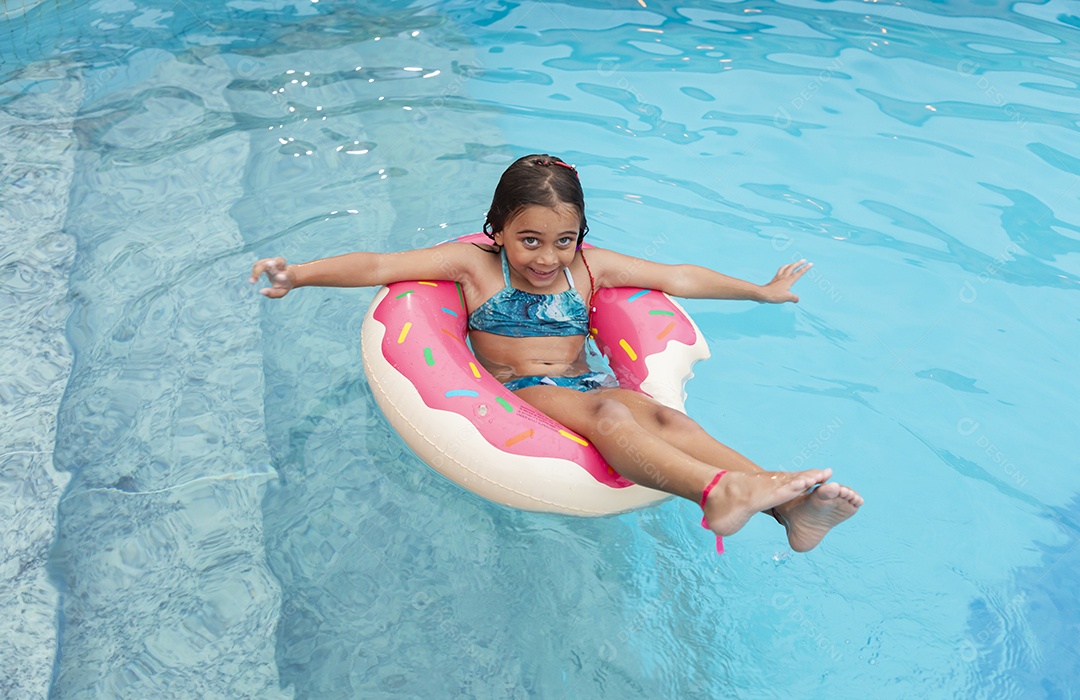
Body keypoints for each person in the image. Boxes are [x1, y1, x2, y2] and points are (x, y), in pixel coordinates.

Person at [250, 154, 862, 553]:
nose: (547, 258)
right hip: (519, 393)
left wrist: (760, 290)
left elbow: (677, 277)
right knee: (612, 417)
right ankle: (717, 490)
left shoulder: (591, 269)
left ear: (580, 236)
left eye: (563, 240)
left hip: (582, 381)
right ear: (497, 231)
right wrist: (299, 274)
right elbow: (381, 265)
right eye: (530, 240)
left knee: (667, 419)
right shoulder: (472, 267)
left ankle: (790, 512)